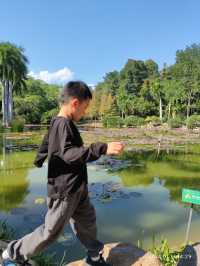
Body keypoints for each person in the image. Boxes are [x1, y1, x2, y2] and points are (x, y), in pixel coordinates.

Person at [0, 81, 124, 266]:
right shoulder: (62, 124)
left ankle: (94, 255)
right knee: (51, 232)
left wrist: (39, 158)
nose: (85, 112)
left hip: (77, 187)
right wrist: (102, 148)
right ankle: (11, 253)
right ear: (75, 103)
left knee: (87, 222)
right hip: (65, 191)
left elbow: (47, 142)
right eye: (85, 107)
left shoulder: (58, 123)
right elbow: (68, 154)